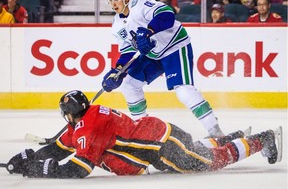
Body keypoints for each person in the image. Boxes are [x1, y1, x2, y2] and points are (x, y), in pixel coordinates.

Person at [4, 90, 282, 178]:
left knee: (210, 161)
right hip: (156, 139)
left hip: (161, 145)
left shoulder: (90, 128)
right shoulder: (87, 118)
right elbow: (59, 147)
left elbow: (78, 169)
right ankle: (232, 136)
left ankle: (263, 140)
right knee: (196, 148)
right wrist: (28, 157)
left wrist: (37, 169)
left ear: (70, 114)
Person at [102, 0, 225, 137]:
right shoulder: (117, 26)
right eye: (110, 0)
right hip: (153, 53)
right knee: (128, 85)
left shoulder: (140, 4)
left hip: (174, 46)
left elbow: (167, 14)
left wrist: (149, 30)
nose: (114, 4)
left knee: (183, 91)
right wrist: (117, 71)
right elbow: (127, 50)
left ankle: (215, 130)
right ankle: (143, 131)